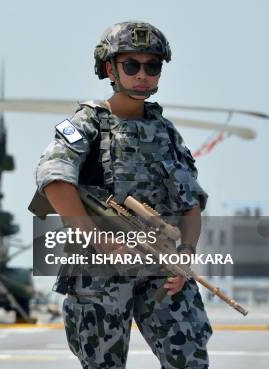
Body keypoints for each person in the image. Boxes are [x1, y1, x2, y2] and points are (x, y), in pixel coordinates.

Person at [34, 21, 212, 369]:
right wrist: (99, 239)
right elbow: (53, 178)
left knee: (191, 359)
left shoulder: (166, 132)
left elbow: (191, 201)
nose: (142, 75)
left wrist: (186, 254)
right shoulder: (86, 124)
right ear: (109, 68)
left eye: (152, 66)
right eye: (131, 65)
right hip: (100, 271)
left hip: (161, 269)